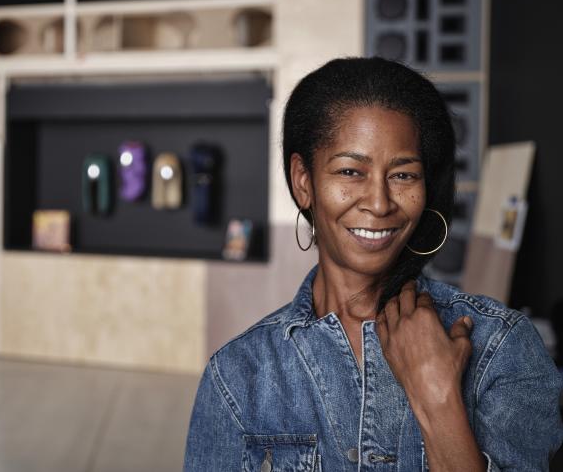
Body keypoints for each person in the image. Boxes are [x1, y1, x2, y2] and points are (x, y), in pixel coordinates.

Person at [183, 57, 563, 471]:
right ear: (303, 181)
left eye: (403, 176)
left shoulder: (502, 348)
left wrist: (439, 403)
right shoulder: (239, 376)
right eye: (350, 171)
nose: (380, 203)